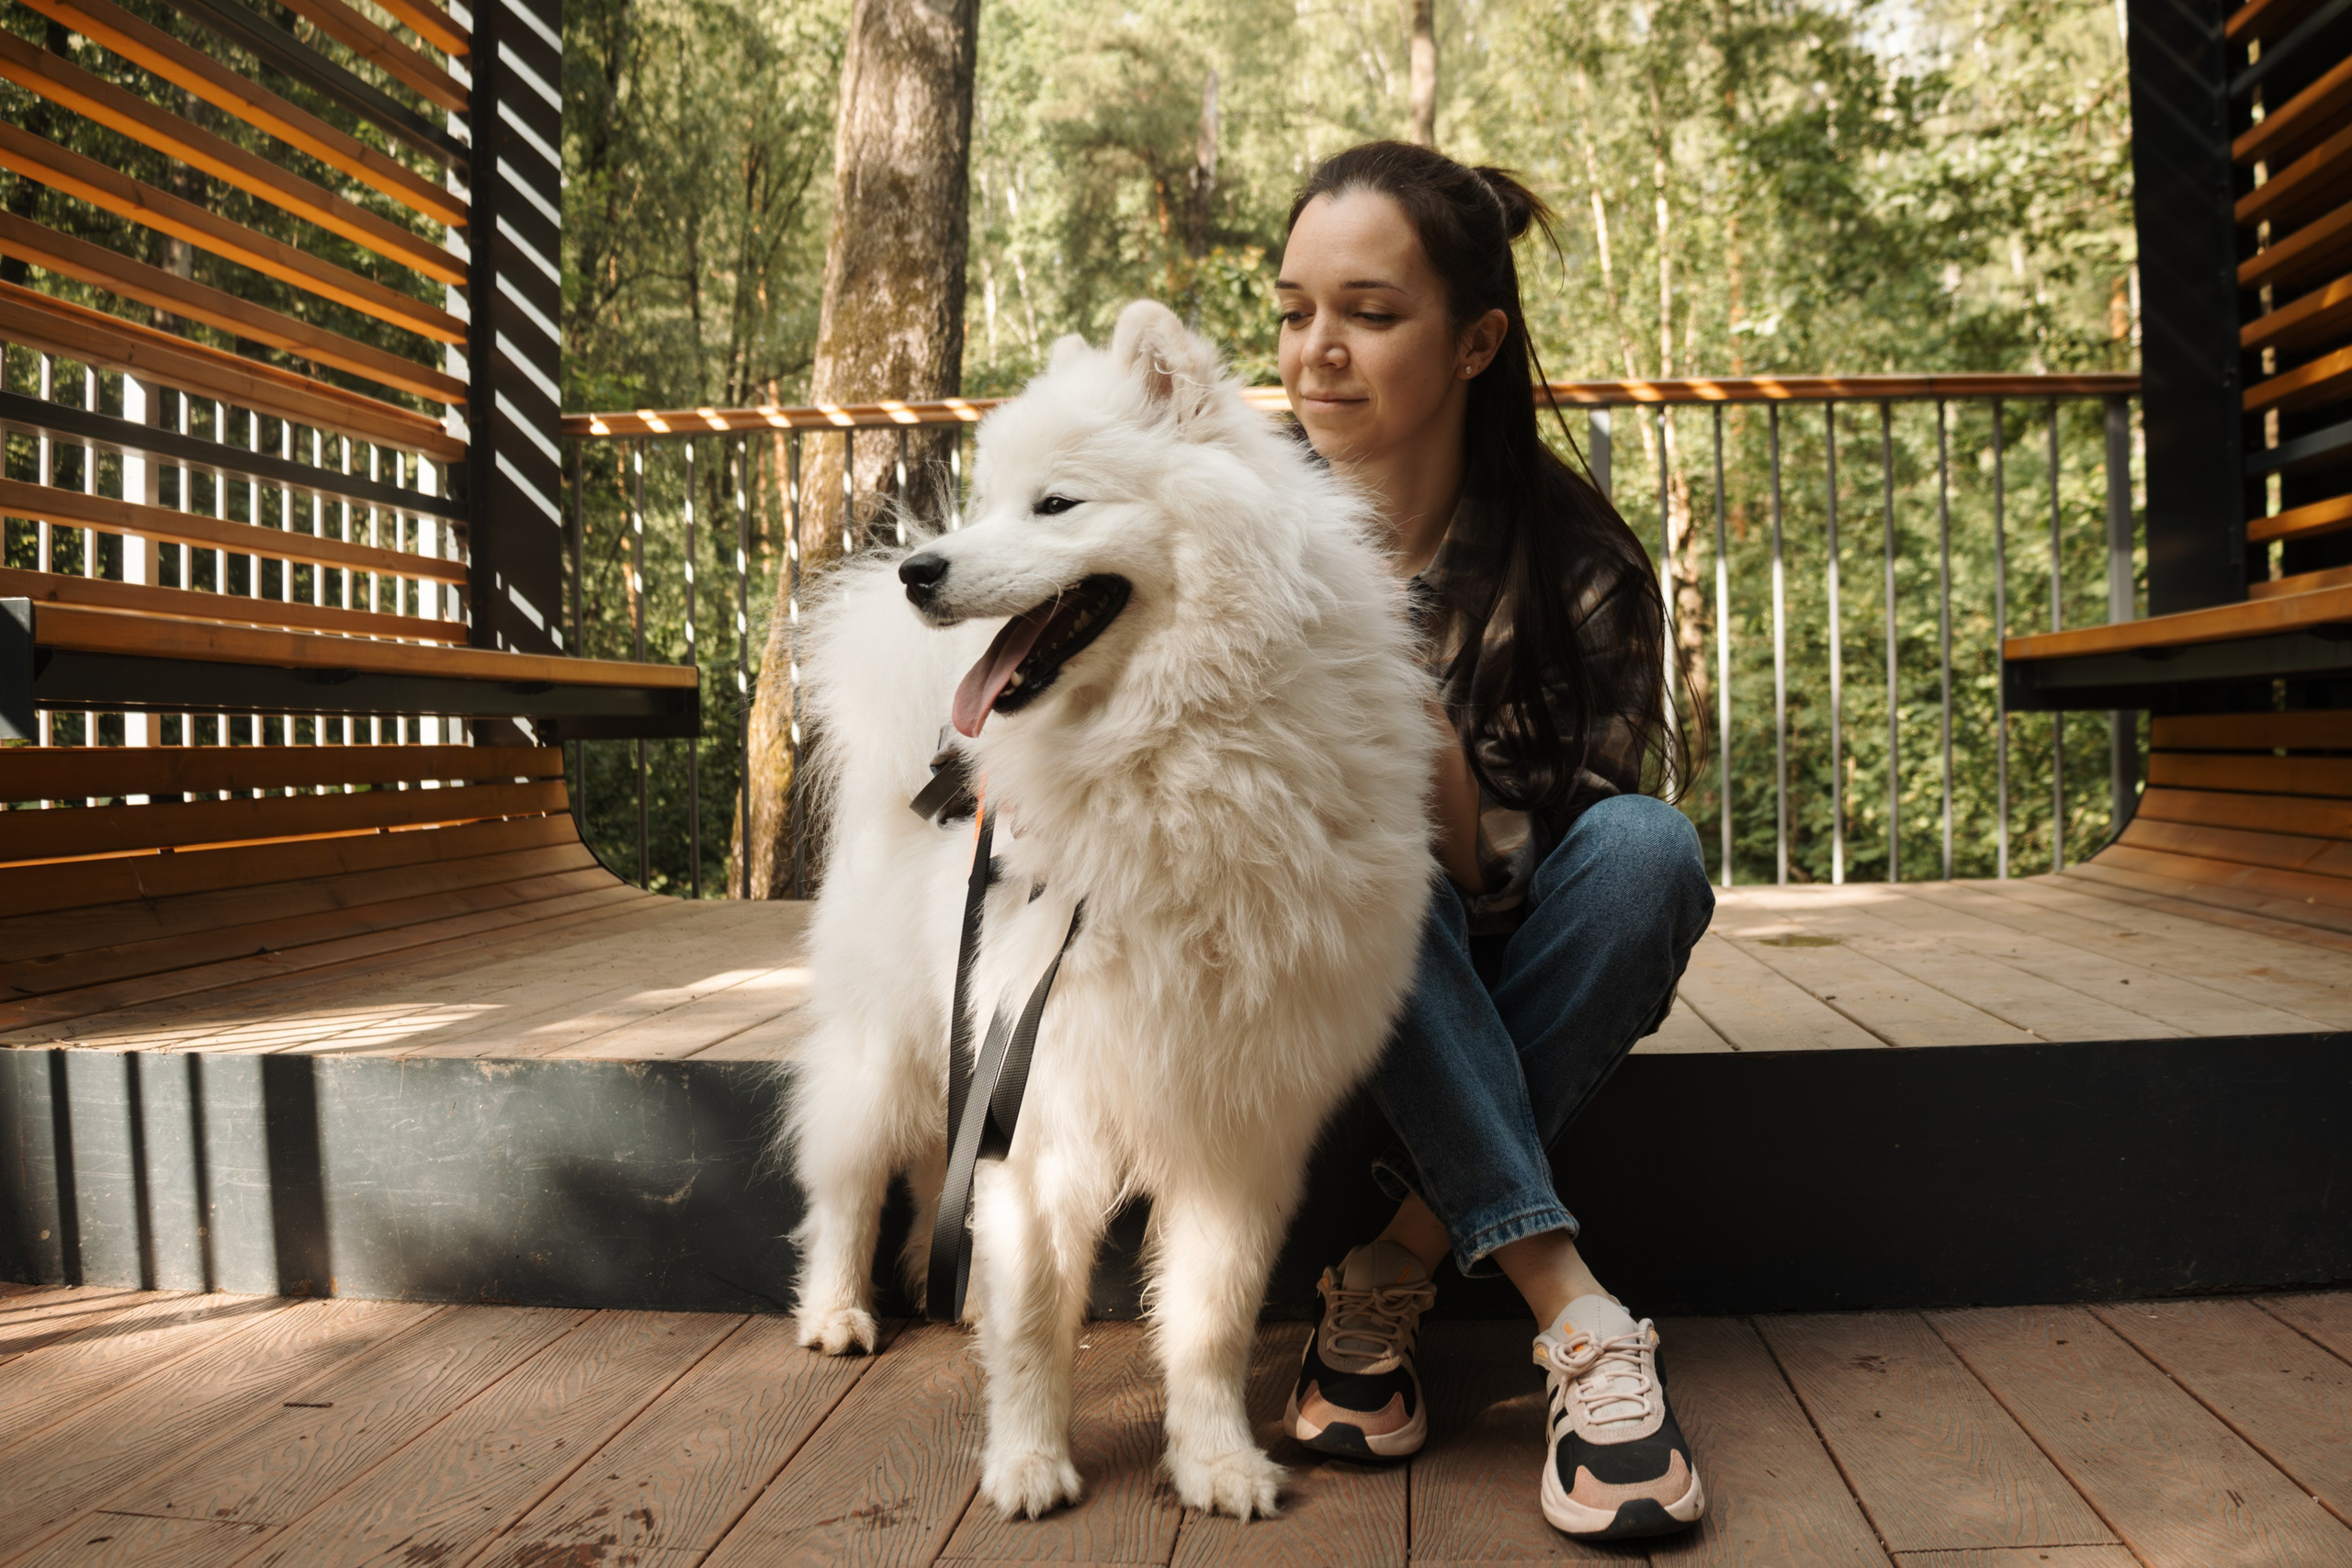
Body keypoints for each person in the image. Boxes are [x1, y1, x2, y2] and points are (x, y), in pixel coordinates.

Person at [1273, 141, 1716, 1541]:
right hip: (1293, 985)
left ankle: (1393, 1265)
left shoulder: (1579, 564)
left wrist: (1443, 789)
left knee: (1651, 852)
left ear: (1476, 341)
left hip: (1498, 975)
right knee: (1363, 854)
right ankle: (1569, 1308)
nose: (1317, 352)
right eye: (1292, 311)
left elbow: (1560, 879)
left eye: (1370, 312)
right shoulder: (1224, 519)